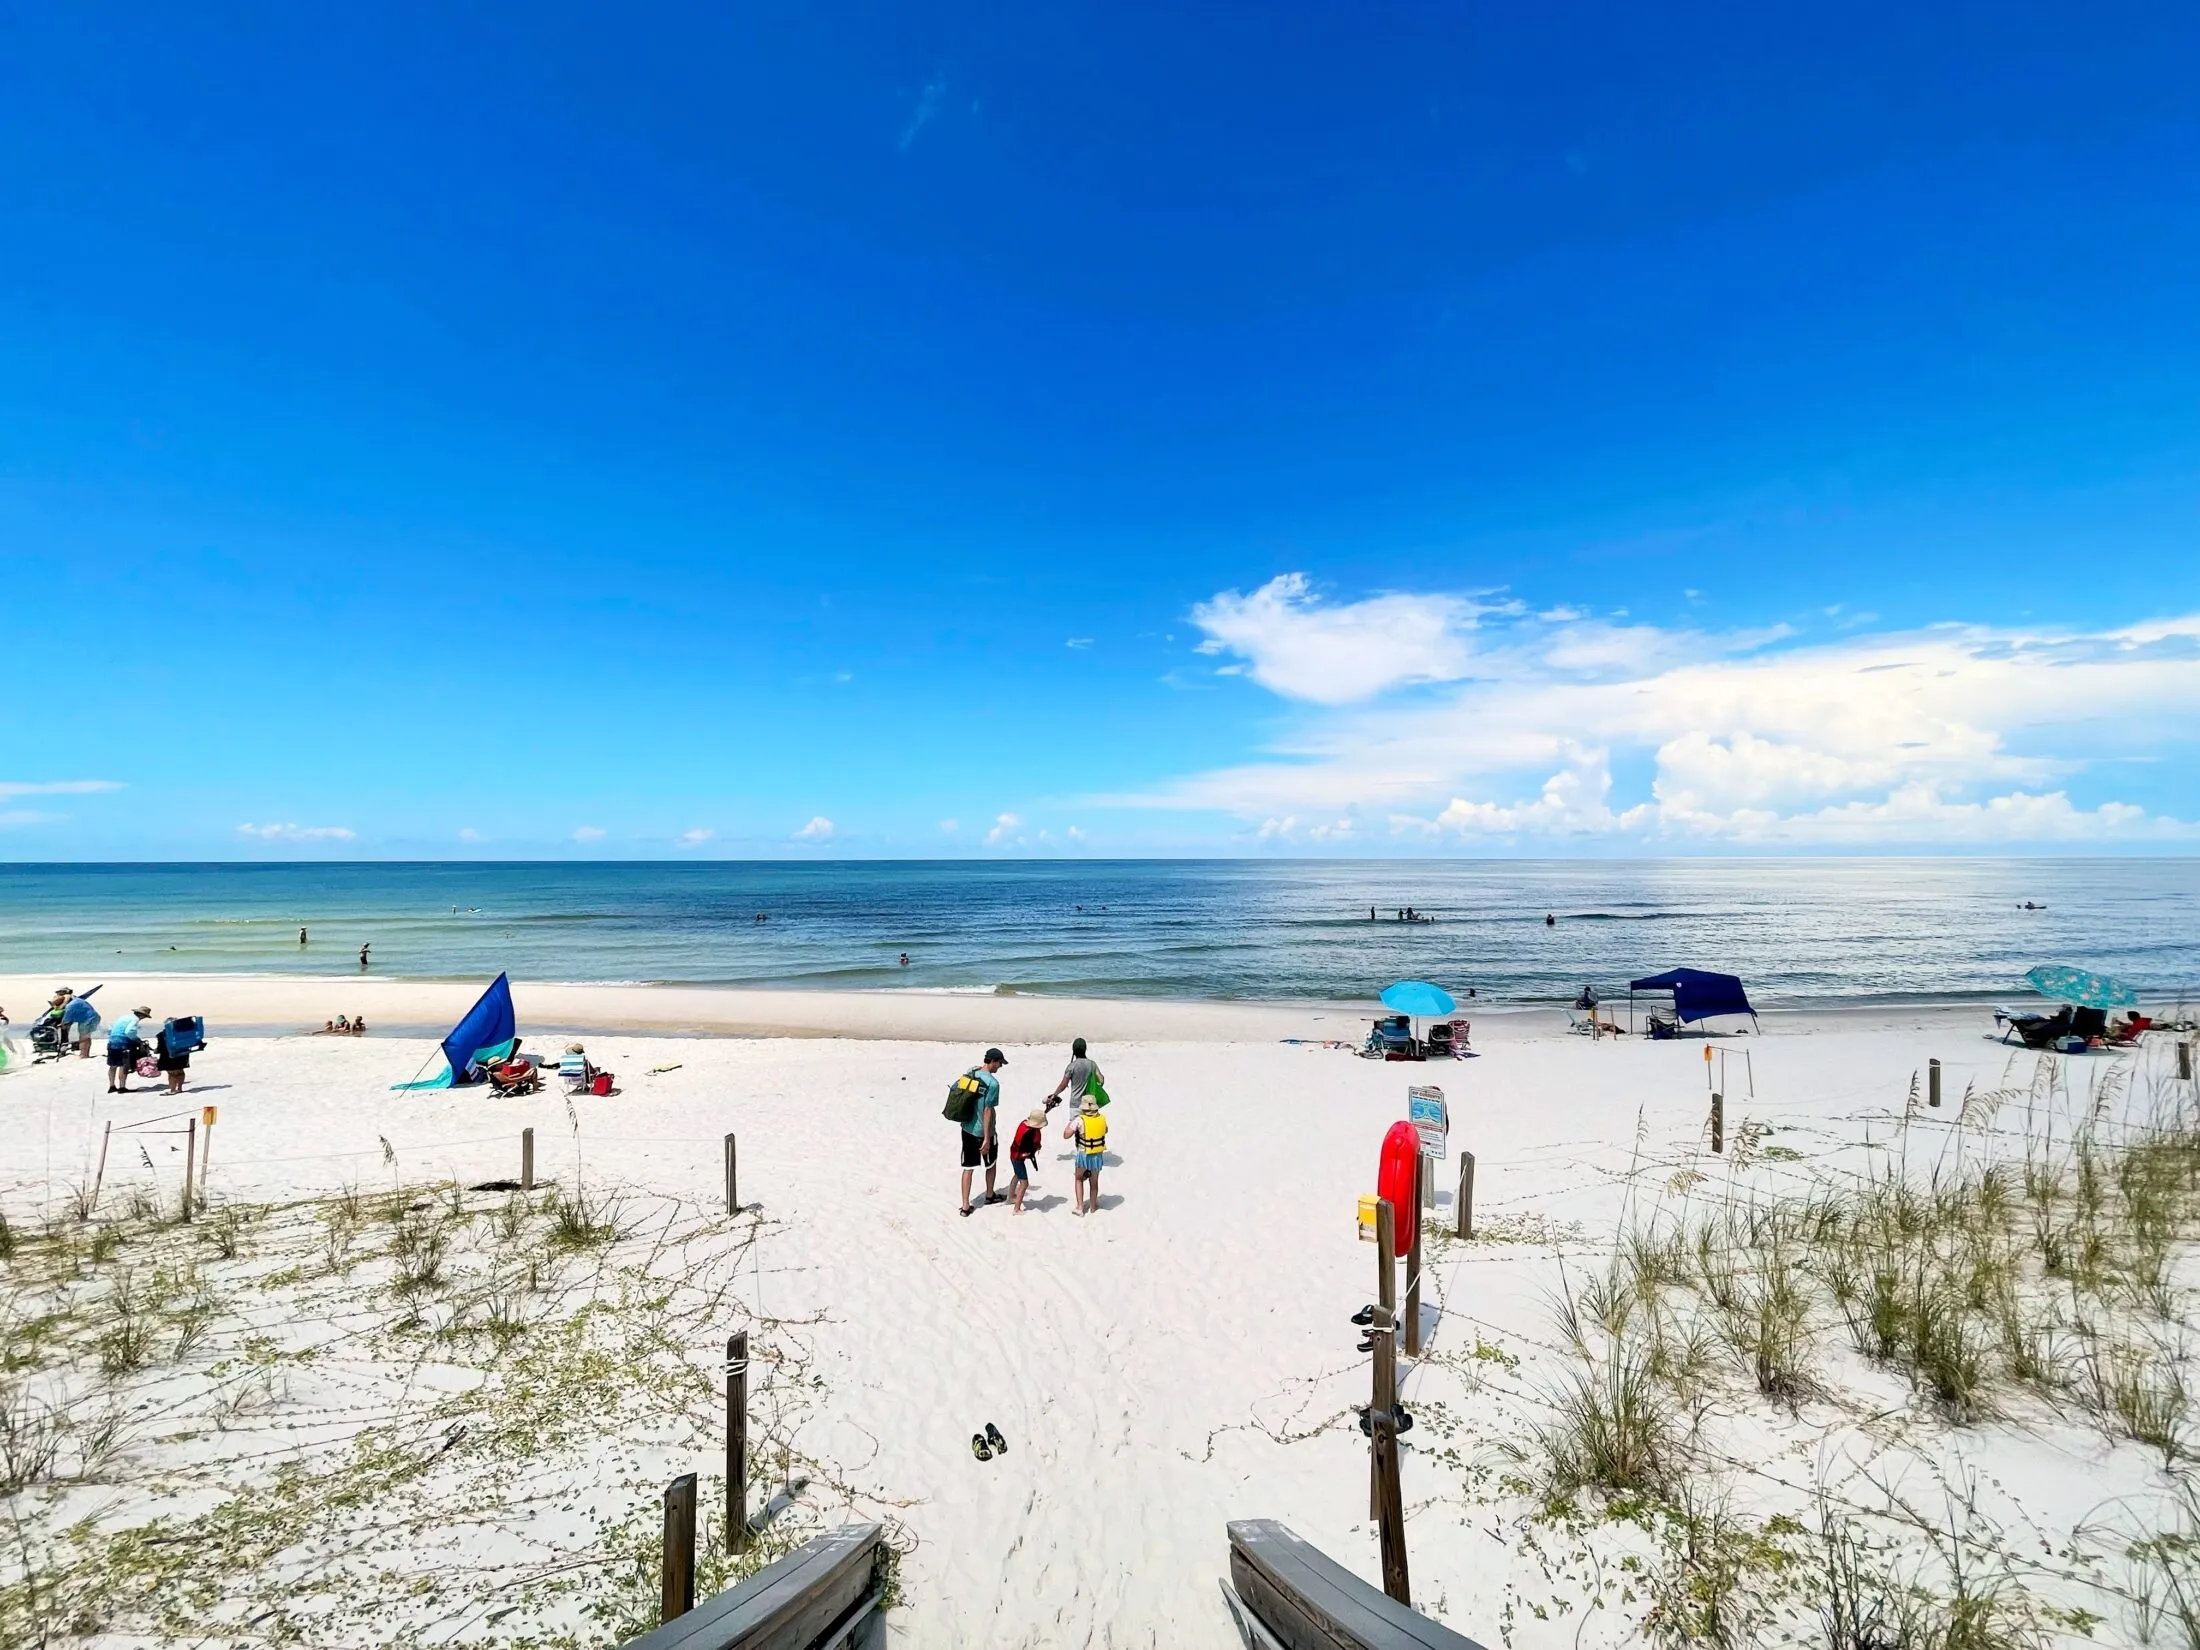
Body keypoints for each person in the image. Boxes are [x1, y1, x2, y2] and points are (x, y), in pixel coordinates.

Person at [957, 1047, 1005, 1217]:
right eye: (999, 1063)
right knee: (991, 1163)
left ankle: (965, 1206)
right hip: (985, 1132)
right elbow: (987, 1111)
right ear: (992, 1061)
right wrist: (986, 1137)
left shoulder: (972, 1072)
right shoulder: (993, 1084)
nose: (1000, 1067)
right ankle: (990, 1195)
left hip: (967, 1127)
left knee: (968, 1167)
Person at [1063, 1094, 1108, 1216]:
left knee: (1079, 1178)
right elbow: (1105, 1130)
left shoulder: (1079, 1120)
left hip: (1084, 1155)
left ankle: (1080, 1207)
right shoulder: (1102, 1118)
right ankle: (1093, 1207)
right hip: (1097, 1155)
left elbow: (1066, 1135)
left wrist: (1070, 1124)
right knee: (1094, 1182)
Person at [1007, 1106, 1046, 1215]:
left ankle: (1010, 1197)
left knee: (1016, 1175)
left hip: (1013, 1155)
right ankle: (1016, 1209)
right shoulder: (1030, 1133)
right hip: (1018, 1158)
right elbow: (1025, 1151)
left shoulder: (1024, 1123)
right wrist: (1036, 1148)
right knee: (1024, 1183)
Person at [106, 1004, 150, 1094]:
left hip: (112, 1041)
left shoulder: (124, 1017)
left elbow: (111, 1029)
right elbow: (129, 1032)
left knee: (113, 1065)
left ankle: (112, 1086)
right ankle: (122, 1087)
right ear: (142, 1015)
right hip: (122, 1043)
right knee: (123, 1065)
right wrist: (138, 1040)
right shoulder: (135, 1019)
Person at [1047, 1037, 1099, 1113]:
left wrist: (1054, 1095)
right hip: (1090, 1105)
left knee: (1075, 1125)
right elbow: (1101, 1079)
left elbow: (1063, 1085)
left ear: (1074, 1051)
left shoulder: (1071, 1066)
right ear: (1085, 1049)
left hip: (1075, 1106)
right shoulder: (1092, 1064)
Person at [155, 1016, 195, 1095]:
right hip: (183, 1054)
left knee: (171, 1072)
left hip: (169, 1055)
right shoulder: (183, 1033)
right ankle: (179, 1088)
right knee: (180, 1071)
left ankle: (172, 1089)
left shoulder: (162, 1034)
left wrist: (156, 1050)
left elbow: (161, 1047)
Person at [60, 989, 100, 1058]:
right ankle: (84, 1054)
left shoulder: (70, 1006)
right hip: (92, 1017)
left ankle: (84, 1055)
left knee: (84, 1038)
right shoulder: (77, 1000)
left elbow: (65, 1021)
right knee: (86, 1037)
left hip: (88, 1019)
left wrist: (63, 1025)